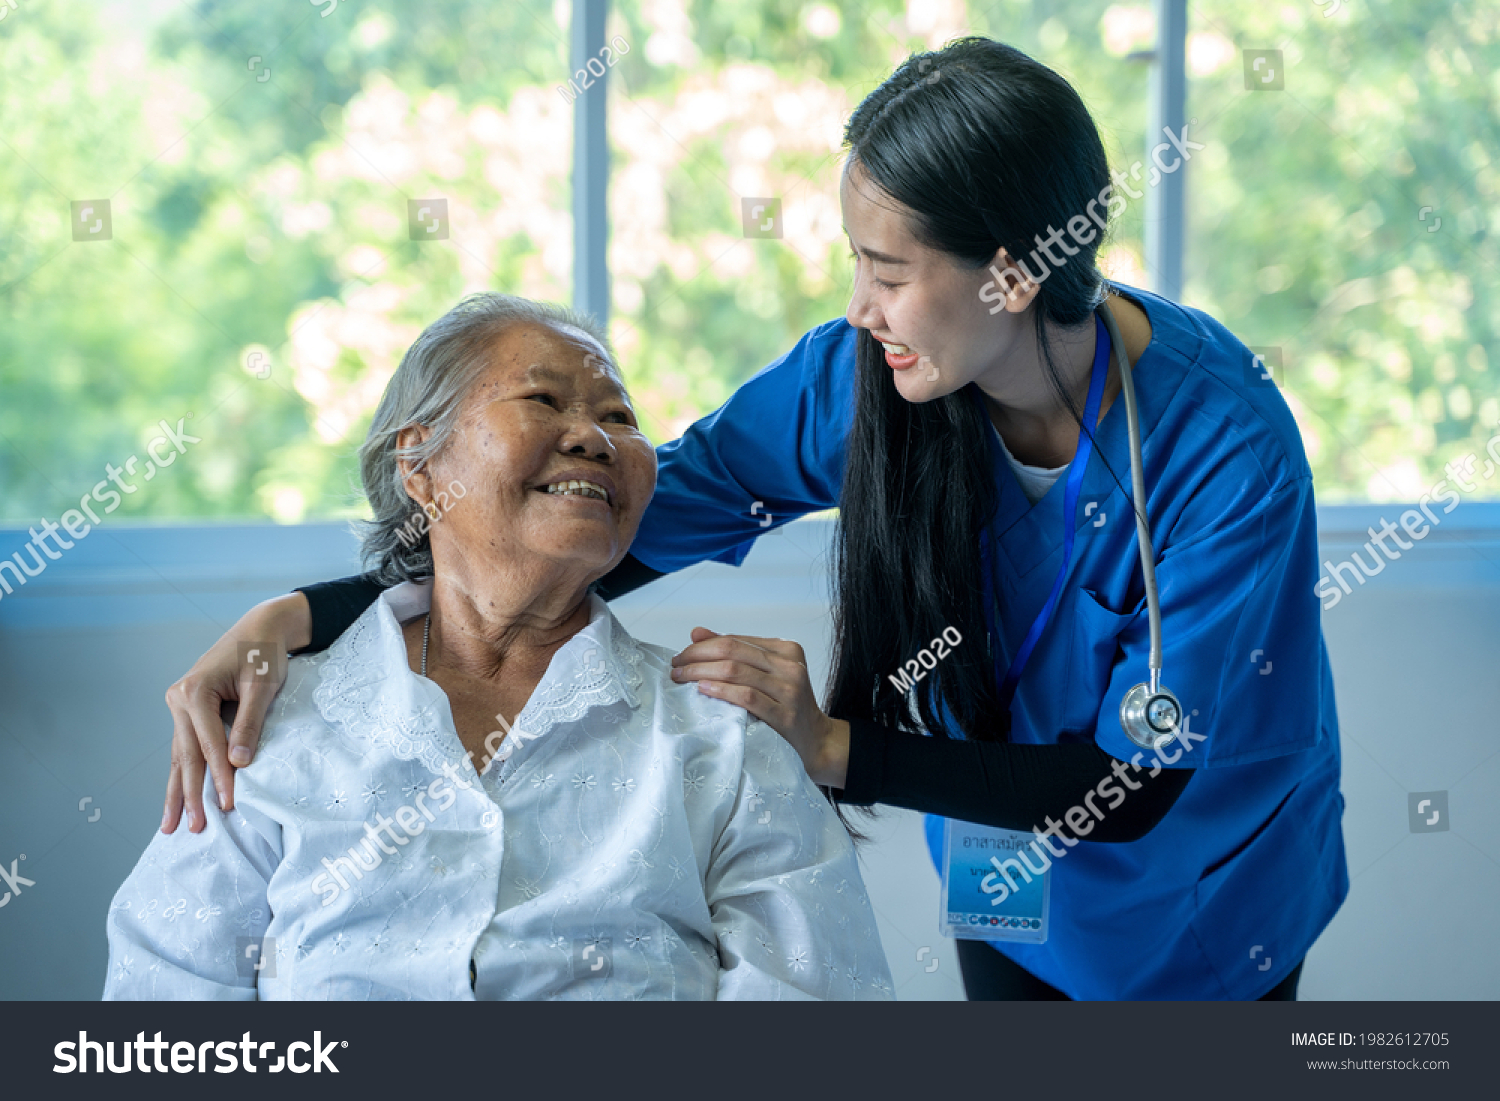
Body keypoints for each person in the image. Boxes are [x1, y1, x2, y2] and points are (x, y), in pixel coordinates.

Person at [160, 38, 1346, 1001]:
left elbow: (1138, 783)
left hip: (1208, 890)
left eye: (887, 269)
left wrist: (833, 748)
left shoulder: (1220, 445)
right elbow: (612, 518)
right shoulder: (863, 382)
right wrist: (304, 614)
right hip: (1008, 875)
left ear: (1008, 275)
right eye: (853, 261)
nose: (858, 304)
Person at [106, 293, 894, 1000]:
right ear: (418, 463)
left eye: (621, 418)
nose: (592, 436)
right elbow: (165, 995)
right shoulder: (266, 726)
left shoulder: (724, 734)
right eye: (543, 400)